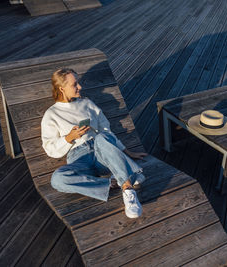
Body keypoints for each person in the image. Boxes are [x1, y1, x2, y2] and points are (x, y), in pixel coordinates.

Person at [41, 68, 147, 218]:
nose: (80, 87)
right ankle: (113, 182)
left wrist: (127, 152)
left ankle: (128, 189)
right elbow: (50, 149)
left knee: (101, 137)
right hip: (79, 158)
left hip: (101, 152)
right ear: (61, 89)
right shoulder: (51, 115)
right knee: (57, 179)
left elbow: (106, 131)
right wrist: (69, 137)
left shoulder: (87, 103)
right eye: (75, 84)